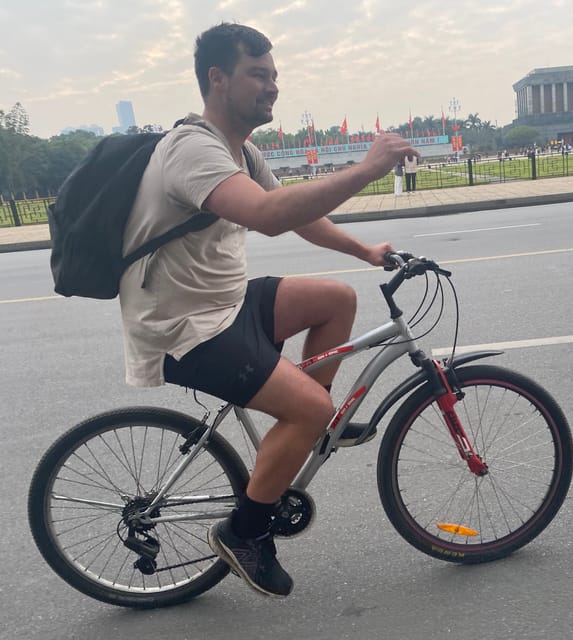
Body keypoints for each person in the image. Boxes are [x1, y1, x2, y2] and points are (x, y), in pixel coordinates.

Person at [118, 22, 417, 598]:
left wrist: (363, 251)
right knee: (309, 407)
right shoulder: (192, 149)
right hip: (185, 326)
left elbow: (296, 213)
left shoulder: (240, 149)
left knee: (336, 299)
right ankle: (245, 532)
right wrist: (365, 169)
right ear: (218, 79)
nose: (272, 86)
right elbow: (268, 216)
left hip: (224, 303)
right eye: (258, 74)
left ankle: (310, 425)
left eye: (274, 75)